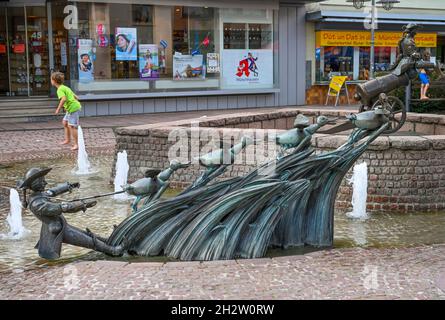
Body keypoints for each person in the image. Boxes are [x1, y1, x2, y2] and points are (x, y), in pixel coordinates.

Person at [17, 167, 127, 260]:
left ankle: (109, 242)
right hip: (58, 231)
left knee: (87, 235)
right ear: (36, 184)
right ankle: (114, 251)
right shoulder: (37, 204)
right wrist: (82, 204)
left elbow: (52, 191)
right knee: (89, 241)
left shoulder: (39, 195)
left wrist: (68, 186)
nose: (45, 183)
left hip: (62, 226)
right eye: (42, 181)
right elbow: (61, 207)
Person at [51, 72, 81, 151]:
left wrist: (58, 109)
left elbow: (63, 99)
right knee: (65, 122)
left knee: (72, 126)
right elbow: (73, 94)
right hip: (71, 108)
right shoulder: (64, 87)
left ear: (54, 81)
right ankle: (67, 140)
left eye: (51, 79)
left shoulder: (60, 90)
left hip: (73, 108)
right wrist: (75, 98)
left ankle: (76, 144)